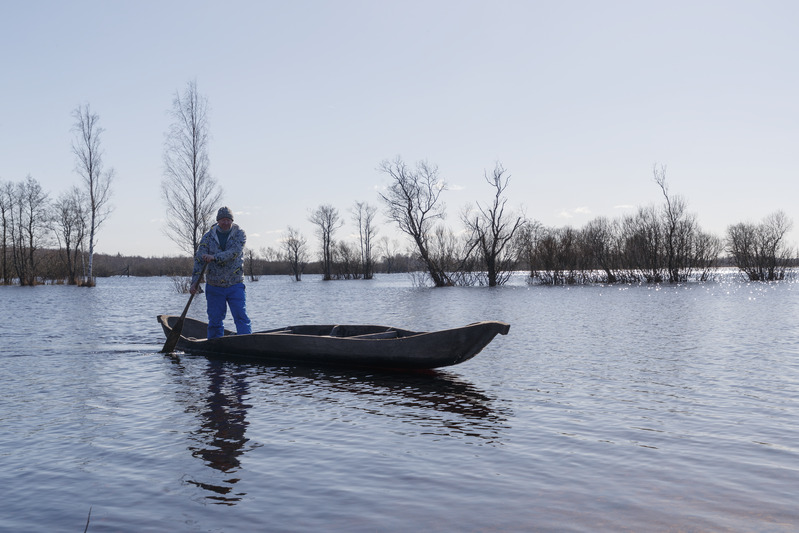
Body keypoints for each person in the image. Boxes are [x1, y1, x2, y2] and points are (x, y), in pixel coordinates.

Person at [190, 206, 252, 339]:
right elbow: (199, 259)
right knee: (215, 321)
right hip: (214, 285)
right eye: (222, 220)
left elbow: (234, 252)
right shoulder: (208, 237)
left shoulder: (240, 234)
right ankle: (214, 346)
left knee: (241, 316)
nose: (225, 222)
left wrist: (214, 257)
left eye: (228, 220)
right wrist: (194, 282)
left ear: (232, 221)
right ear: (218, 221)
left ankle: (246, 342)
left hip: (235, 284)